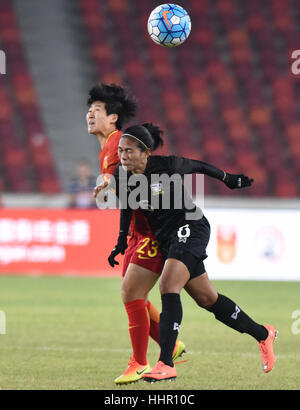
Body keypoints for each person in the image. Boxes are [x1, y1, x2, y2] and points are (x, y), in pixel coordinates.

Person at [105, 123, 278, 383]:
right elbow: (127, 208)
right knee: (207, 298)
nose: (124, 156)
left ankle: (165, 362)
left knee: (168, 284)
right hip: (167, 239)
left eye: (129, 151)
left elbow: (198, 166)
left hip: (191, 227)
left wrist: (228, 178)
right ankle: (263, 333)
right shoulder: (121, 174)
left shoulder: (166, 166)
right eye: (120, 151)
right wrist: (120, 240)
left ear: (146, 152)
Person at [86, 84, 185, 384]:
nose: (89, 114)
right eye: (88, 110)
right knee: (134, 296)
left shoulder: (119, 141)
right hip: (135, 232)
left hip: (150, 232)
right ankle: (172, 344)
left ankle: (139, 362)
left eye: (96, 110)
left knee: (132, 293)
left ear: (113, 118)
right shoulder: (108, 147)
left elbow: (139, 176)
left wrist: (111, 182)